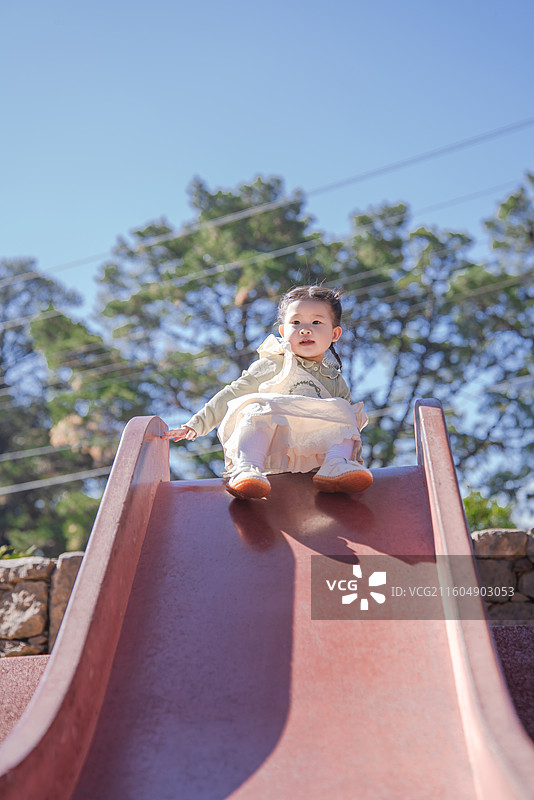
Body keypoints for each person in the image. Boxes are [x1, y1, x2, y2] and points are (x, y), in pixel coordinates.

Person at [160, 285, 373, 500]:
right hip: (273, 449)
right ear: (282, 332)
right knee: (255, 406)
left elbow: (349, 431)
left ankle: (336, 466)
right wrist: (196, 425)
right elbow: (232, 394)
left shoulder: (334, 381)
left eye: (316, 322)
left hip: (312, 455)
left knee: (345, 410)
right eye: (296, 322)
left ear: (335, 333)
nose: (305, 329)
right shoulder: (274, 364)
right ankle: (248, 468)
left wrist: (354, 460)